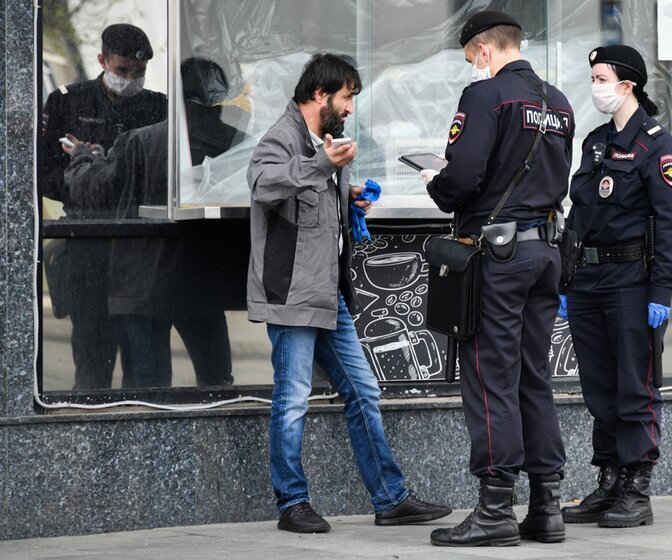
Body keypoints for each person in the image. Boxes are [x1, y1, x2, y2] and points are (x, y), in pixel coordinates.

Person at [245, 53, 451, 534]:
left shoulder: (325, 141)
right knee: (292, 399)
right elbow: (263, 184)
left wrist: (348, 195)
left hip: (327, 293)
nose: (351, 107)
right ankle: (292, 503)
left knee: (363, 391)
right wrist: (323, 164)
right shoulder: (282, 138)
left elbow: (313, 199)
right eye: (346, 97)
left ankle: (390, 499)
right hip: (293, 295)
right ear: (320, 95)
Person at [422, 10, 574, 547]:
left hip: (499, 259)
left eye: (471, 58)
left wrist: (436, 183)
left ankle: (494, 509)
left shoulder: (485, 95)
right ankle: (546, 507)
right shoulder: (559, 102)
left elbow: (463, 177)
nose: (473, 67)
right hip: (544, 253)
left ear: (484, 50)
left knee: (490, 377)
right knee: (534, 375)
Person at [61, 58, 243, 389]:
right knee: (217, 383)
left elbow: (92, 188)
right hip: (203, 279)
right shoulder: (236, 144)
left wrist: (82, 157)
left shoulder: (140, 141)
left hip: (144, 281)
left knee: (150, 389)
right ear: (221, 96)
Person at [561, 45, 672, 528]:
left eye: (601, 78)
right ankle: (610, 479)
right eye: (593, 78)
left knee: (635, 387)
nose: (595, 87)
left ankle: (637, 487)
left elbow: (670, 222)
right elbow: (578, 215)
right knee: (600, 387)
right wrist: (566, 279)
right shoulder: (595, 142)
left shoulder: (656, 145)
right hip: (589, 281)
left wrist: (662, 291)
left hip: (632, 283)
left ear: (627, 85)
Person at [40, 23, 167, 390]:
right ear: (102, 61)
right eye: (122, 70)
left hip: (139, 248)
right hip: (89, 242)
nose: (130, 80)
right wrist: (85, 180)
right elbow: (44, 173)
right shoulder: (67, 101)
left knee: (146, 370)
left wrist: (99, 169)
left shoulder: (158, 107)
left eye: (138, 72)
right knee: (92, 363)